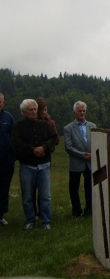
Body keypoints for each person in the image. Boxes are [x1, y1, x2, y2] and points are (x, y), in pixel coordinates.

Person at [11, 99, 57, 230]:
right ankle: (30, 220)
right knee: (27, 196)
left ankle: (46, 221)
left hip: (44, 165)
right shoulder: (18, 127)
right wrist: (32, 150)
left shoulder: (45, 125)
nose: (33, 112)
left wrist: (44, 148)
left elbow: (53, 138)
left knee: (45, 195)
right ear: (24, 112)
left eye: (35, 109)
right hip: (27, 165)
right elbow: (16, 144)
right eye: (30, 110)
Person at [63, 101, 96, 217]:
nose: (82, 113)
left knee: (90, 187)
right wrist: (83, 155)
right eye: (79, 111)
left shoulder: (92, 126)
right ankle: (76, 211)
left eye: (84, 111)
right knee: (74, 188)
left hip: (90, 163)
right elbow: (68, 147)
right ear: (74, 113)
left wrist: (91, 154)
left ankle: (90, 209)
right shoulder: (68, 128)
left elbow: (97, 143)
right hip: (76, 163)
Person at [33, 98, 60, 219]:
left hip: (46, 156)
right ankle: (33, 213)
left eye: (46, 110)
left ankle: (42, 213)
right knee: (32, 187)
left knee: (43, 188)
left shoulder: (50, 123)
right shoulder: (31, 123)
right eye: (42, 110)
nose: (44, 112)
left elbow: (56, 139)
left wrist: (45, 147)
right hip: (32, 156)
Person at [0, 93, 15, 227]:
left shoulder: (8, 117)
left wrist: (12, 156)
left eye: (0, 102)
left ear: (3, 103)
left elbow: (13, 137)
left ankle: (1, 215)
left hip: (6, 161)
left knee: (4, 189)